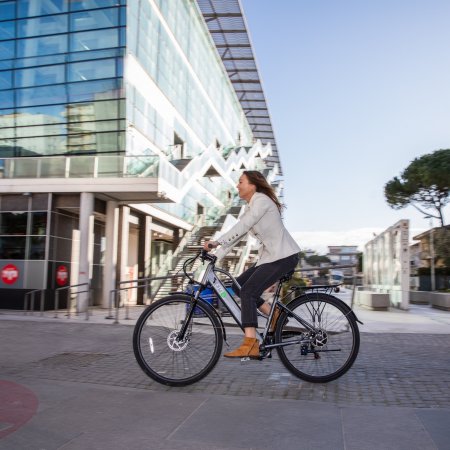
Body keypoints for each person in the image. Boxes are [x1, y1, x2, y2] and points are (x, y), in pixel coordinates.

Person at [203, 170, 300, 359]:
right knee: (238, 287)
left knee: (248, 292)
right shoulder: (251, 207)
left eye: (241, 182)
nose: (237, 185)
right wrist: (217, 254)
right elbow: (237, 235)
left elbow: (241, 227)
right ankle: (276, 314)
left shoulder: (262, 201)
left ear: (253, 185)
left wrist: (216, 242)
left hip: (283, 256)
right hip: (271, 257)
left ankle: (250, 344)